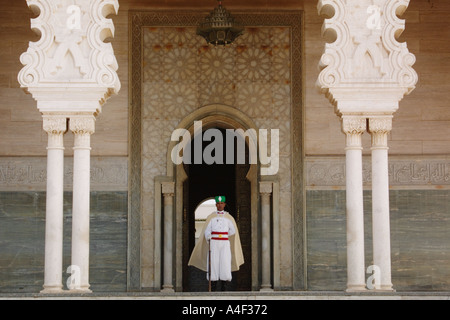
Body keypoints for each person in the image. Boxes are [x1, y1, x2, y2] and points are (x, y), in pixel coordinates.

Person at [188, 196, 244, 291]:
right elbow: (207, 231)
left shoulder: (229, 217)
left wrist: (224, 235)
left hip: (224, 243)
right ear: (216, 205)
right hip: (214, 242)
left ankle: (224, 286)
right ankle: (213, 286)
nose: (220, 205)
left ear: (224, 204)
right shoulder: (211, 217)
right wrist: (210, 237)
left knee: (224, 262)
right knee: (214, 262)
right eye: (218, 204)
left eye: (221, 203)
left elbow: (233, 231)